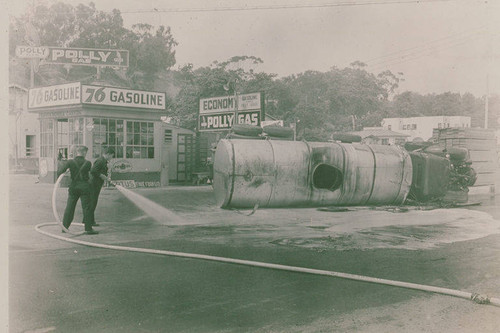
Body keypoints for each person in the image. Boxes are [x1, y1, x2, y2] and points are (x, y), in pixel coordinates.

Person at [57, 145, 98, 235]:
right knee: (86, 208)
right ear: (84, 152)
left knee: (70, 207)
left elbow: (59, 172)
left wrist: (68, 169)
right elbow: (89, 175)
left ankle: (65, 227)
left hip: (74, 187)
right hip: (84, 187)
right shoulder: (88, 163)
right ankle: (88, 229)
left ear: (76, 152)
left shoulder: (70, 162)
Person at [89, 147, 115, 226]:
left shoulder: (103, 161)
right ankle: (89, 221)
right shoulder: (100, 161)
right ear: (107, 154)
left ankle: (90, 221)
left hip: (96, 184)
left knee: (93, 203)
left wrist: (106, 177)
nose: (111, 158)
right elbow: (93, 171)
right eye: (111, 156)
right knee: (92, 203)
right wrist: (102, 176)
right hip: (94, 185)